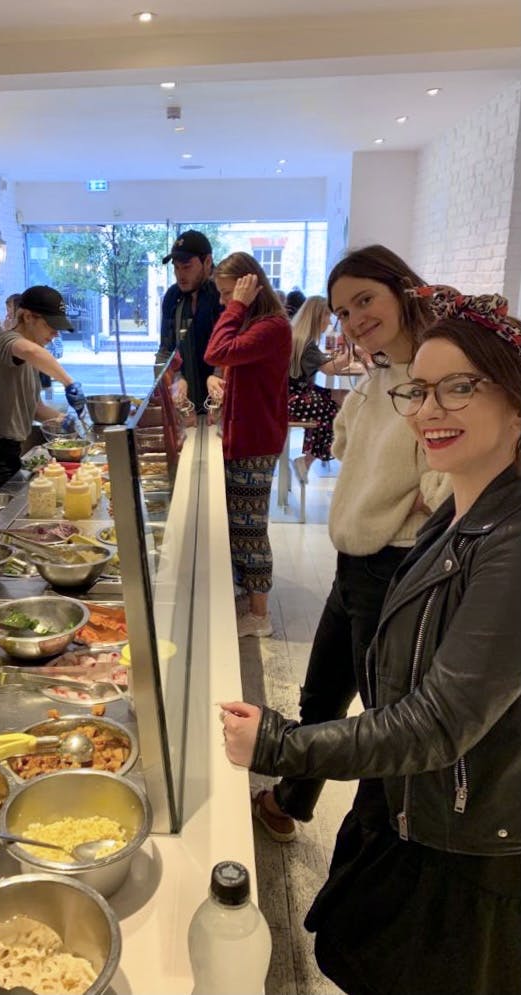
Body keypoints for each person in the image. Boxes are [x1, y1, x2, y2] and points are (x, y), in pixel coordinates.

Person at [221, 289, 521, 995]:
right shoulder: (458, 507)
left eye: (458, 388)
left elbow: (440, 720)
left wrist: (278, 744)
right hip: (407, 805)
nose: (425, 411)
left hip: (463, 846)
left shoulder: (511, 544)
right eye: (418, 389)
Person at [251, 245, 451, 842]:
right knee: (321, 693)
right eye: (342, 310)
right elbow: (342, 441)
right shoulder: (385, 369)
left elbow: (454, 480)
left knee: (385, 720)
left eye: (365, 300)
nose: (353, 319)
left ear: (403, 288)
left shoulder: (433, 373)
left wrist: (414, 497)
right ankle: (289, 802)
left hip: (397, 570)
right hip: (355, 563)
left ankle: (378, 838)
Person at [204, 252, 291, 639]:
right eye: (223, 296)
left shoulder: (272, 326)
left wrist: (237, 304)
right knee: (240, 525)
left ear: (251, 287)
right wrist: (218, 382)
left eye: (228, 294)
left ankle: (260, 615)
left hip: (255, 442)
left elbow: (217, 352)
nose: (224, 303)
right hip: (243, 437)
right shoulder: (257, 325)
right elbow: (226, 363)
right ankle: (247, 596)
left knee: (250, 527)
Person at [0, 285, 87, 493]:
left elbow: (35, 407)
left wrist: (62, 421)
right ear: (28, 317)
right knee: (1, 521)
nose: (55, 333)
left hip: (7, 451)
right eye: (50, 325)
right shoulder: (7, 341)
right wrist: (69, 382)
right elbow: (28, 350)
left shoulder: (29, 357)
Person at [156, 230, 223, 414]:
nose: (180, 275)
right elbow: (166, 350)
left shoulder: (222, 294)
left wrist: (218, 375)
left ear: (207, 262)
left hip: (221, 407)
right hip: (185, 408)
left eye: (186, 267)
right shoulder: (172, 297)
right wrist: (176, 377)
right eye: (176, 268)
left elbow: (234, 348)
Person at [287, 295, 350, 482]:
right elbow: (330, 369)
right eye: (327, 317)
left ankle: (308, 459)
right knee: (334, 411)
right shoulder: (305, 343)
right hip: (294, 399)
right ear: (317, 317)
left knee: (345, 397)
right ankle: (306, 462)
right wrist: (352, 353)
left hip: (293, 394)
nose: (329, 322)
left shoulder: (299, 338)